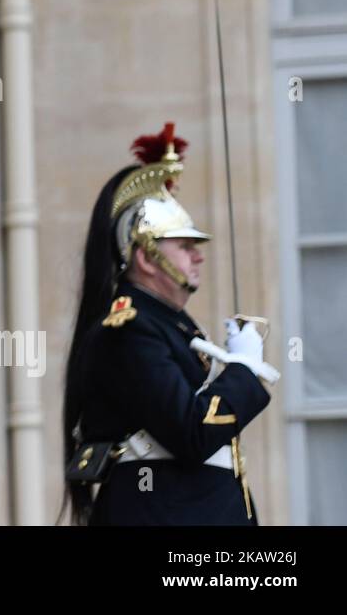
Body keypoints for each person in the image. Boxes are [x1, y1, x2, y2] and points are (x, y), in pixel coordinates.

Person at [61, 123, 274, 525]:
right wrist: (243, 372)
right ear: (145, 256)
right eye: (185, 246)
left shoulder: (167, 326)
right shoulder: (130, 329)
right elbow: (192, 433)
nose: (198, 257)